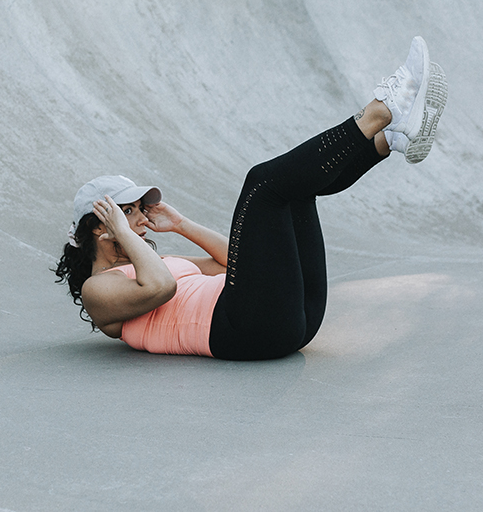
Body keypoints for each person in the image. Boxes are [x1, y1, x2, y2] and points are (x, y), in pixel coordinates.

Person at [54, 37, 447, 360]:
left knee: (295, 192)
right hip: (243, 330)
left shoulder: (161, 262)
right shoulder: (98, 290)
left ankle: (386, 140)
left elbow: (240, 261)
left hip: (293, 321)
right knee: (261, 184)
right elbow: (161, 288)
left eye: (138, 209)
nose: (140, 219)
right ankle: (382, 110)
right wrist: (125, 233)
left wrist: (181, 226)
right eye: (126, 212)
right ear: (99, 228)